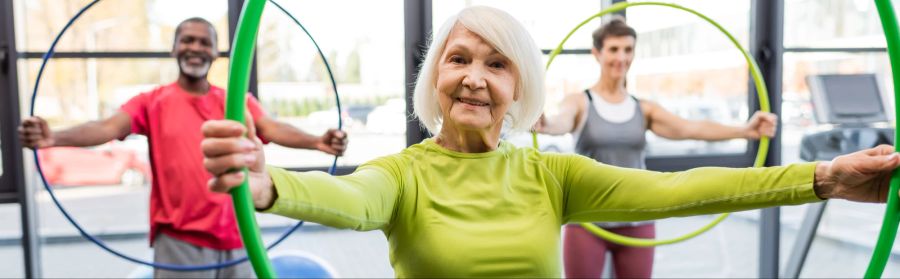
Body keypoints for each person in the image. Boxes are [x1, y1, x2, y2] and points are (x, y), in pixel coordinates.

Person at [200, 6, 899, 278]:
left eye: (496, 63)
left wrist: (822, 177)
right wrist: (266, 184)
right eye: (459, 59)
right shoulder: (403, 176)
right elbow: (347, 196)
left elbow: (682, 186)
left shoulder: (549, 177)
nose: (474, 78)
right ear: (434, 77)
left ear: (519, 86)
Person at [18, 17, 348, 278]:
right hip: (180, 241)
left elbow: (272, 128)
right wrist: (53, 138)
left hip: (240, 235)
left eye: (205, 42)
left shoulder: (234, 101)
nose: (195, 47)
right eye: (187, 40)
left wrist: (317, 141)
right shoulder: (151, 101)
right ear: (174, 48)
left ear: (215, 52)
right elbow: (106, 127)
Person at [535, 17, 778, 278]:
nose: (621, 57)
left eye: (628, 50)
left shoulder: (644, 108)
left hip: (637, 216)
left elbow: (690, 128)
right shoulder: (580, 102)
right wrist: (546, 123)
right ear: (597, 54)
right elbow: (561, 120)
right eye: (614, 49)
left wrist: (745, 130)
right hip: (587, 220)